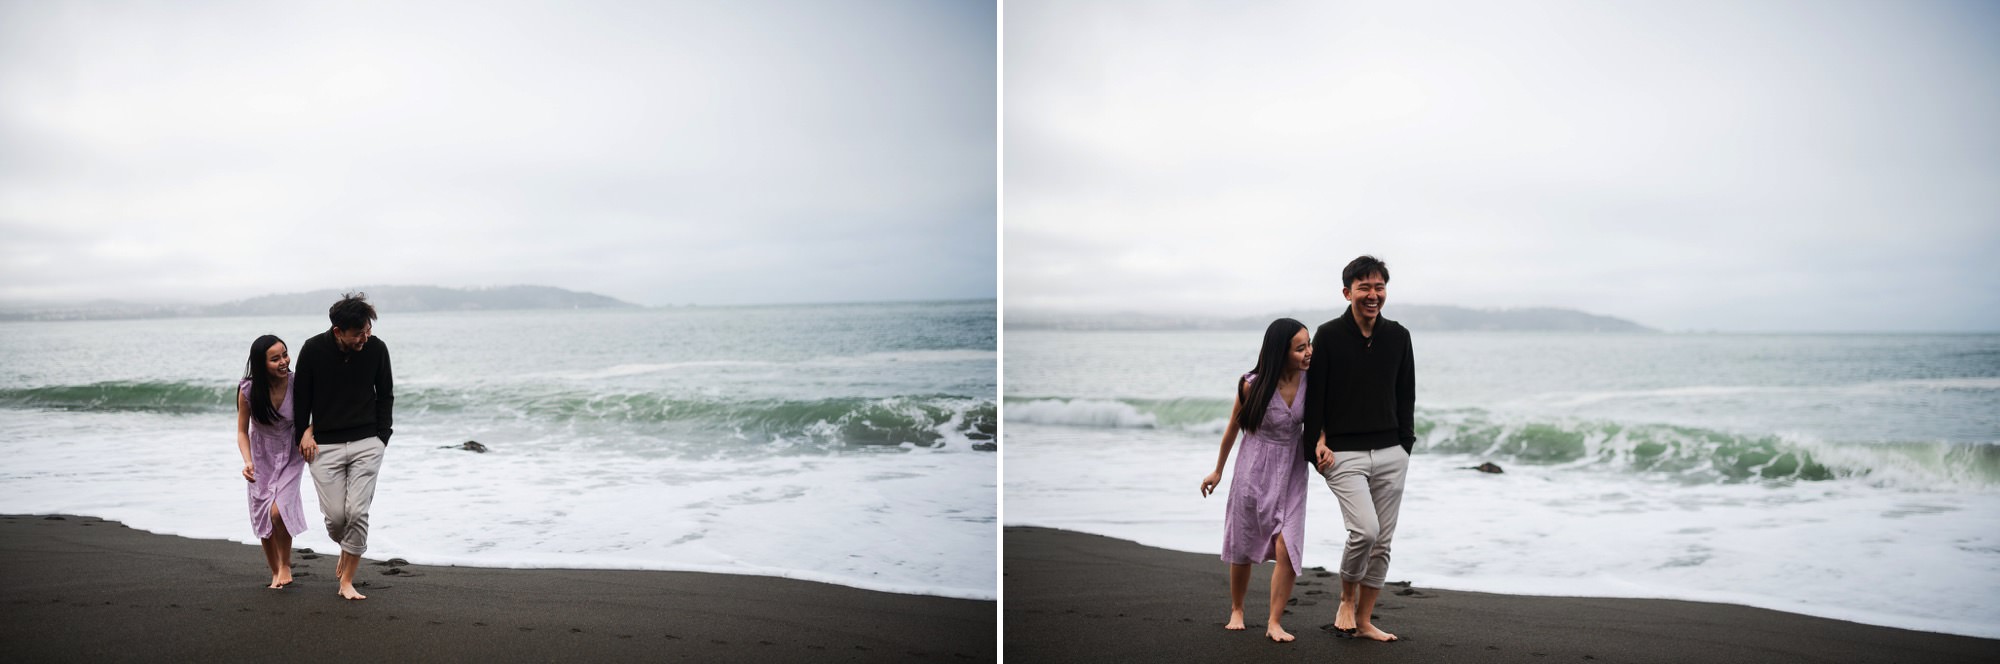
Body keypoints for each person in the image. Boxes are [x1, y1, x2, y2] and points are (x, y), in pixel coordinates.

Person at [1301, 255, 1415, 642]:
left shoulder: (1399, 336)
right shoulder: (1329, 335)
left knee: (1383, 541)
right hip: (1342, 453)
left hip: (1390, 451)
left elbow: (1406, 395)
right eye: (1364, 287)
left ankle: (1365, 621)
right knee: (1365, 531)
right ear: (1347, 292)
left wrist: (1405, 445)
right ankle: (1346, 598)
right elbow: (1315, 396)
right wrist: (1313, 444)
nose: (1372, 294)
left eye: (1379, 287)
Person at [1201, 318, 1313, 643]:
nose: (1309, 352)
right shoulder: (1251, 384)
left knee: (1288, 545)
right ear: (1281, 352)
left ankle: (1274, 621)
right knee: (1243, 539)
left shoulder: (1312, 380)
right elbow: (1232, 430)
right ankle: (1237, 608)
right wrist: (1218, 471)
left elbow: (1323, 420)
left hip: (1292, 470)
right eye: (1300, 347)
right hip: (1254, 468)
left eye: (1309, 344)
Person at [293, 292, 394, 601]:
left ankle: (347, 580)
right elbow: (301, 398)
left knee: (357, 511)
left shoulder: (376, 348)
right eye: (358, 334)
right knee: (337, 518)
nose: (365, 338)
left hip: (367, 442)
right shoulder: (312, 350)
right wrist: (303, 434)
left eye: (367, 330)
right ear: (338, 331)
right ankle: (347, 548)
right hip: (325, 445)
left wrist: (382, 437)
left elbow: (386, 393)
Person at [236, 334, 308, 589]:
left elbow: (316, 414)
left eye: (285, 355)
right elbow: (242, 431)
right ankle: (275, 570)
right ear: (260, 363)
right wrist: (247, 461)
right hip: (260, 456)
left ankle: (286, 563)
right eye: (275, 358)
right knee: (264, 514)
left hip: (291, 454)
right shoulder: (248, 390)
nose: (284, 361)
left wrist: (310, 432)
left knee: (279, 512)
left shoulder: (297, 383)